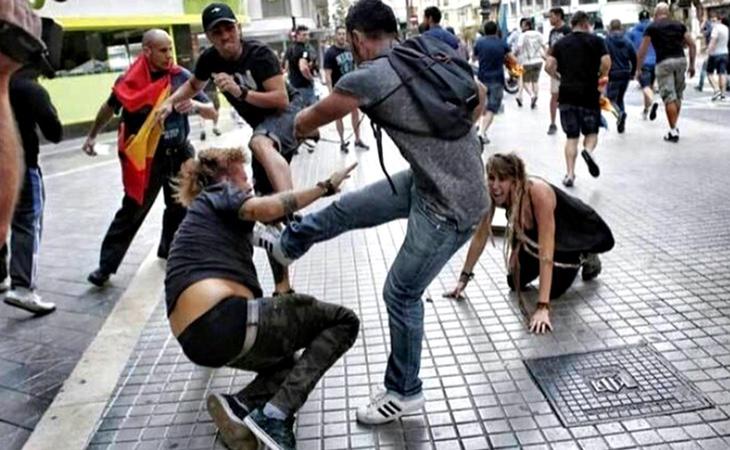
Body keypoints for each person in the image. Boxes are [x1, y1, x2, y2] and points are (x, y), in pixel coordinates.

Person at [256, 0, 488, 425]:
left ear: (357, 39)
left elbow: (306, 123)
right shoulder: (425, 51)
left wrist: (273, 130)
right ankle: (288, 245)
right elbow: (482, 96)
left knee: (400, 293)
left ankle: (404, 392)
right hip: (431, 183)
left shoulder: (369, 76)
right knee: (349, 207)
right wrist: (449, 151)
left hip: (449, 207)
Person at [167, 147, 359, 450]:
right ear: (227, 178)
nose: (250, 184)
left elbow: (273, 240)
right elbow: (266, 209)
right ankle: (276, 416)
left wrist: (282, 287)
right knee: (344, 321)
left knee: (287, 365)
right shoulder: (219, 194)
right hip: (223, 317)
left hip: (199, 340)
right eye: (244, 177)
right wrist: (325, 187)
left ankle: (240, 406)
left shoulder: (208, 218)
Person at [158, 3, 311, 296]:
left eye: (229, 28)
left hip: (287, 115)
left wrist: (240, 91)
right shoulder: (210, 60)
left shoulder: (260, 54)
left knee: (258, 144)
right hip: (262, 126)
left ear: (238, 29)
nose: (226, 35)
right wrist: (168, 103)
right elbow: (191, 85)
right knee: (265, 211)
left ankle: (291, 214)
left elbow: (280, 99)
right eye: (218, 31)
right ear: (209, 36)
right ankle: (283, 286)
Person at [82, 29, 216, 287]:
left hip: (180, 153)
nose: (169, 55)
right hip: (147, 159)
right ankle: (106, 266)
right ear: (147, 51)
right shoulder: (129, 81)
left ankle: (169, 250)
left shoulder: (182, 78)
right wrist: (92, 136)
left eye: (170, 49)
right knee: (132, 210)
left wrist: (196, 106)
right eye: (163, 50)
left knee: (180, 206)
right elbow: (109, 108)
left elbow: (211, 112)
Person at [444, 153, 613, 334]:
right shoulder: (491, 193)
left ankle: (585, 255)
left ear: (515, 181)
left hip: (570, 234)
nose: (495, 186)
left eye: (502, 179)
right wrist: (463, 279)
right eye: (491, 178)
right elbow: (480, 236)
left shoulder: (539, 193)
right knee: (514, 281)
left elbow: (546, 253)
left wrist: (542, 307)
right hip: (536, 238)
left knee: (553, 290)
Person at [0, 68, 62, 314]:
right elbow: (54, 132)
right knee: (27, 222)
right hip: (21, 166)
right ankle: (22, 287)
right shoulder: (29, 88)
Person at [546, 10, 610, 187]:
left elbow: (548, 65)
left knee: (571, 136)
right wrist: (601, 75)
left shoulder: (560, 43)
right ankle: (588, 151)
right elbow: (606, 62)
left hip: (567, 95)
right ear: (584, 23)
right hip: (589, 93)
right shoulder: (597, 41)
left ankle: (570, 174)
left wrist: (558, 76)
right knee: (591, 132)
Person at [0, 0, 42, 246]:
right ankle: (23, 281)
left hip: (23, 167)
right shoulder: (34, 91)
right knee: (28, 221)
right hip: (29, 167)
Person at [636, 2, 696, 143]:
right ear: (667, 13)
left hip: (664, 63)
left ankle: (673, 130)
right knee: (678, 95)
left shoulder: (652, 27)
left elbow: (643, 50)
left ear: (656, 14)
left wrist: (638, 68)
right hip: (681, 60)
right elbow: (692, 44)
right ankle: (674, 127)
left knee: (669, 96)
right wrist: (692, 65)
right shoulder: (679, 25)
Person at [323, 25, 368, 153]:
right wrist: (330, 92)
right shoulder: (330, 53)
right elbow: (327, 74)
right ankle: (342, 141)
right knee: (339, 116)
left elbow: (357, 66)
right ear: (335, 36)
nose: (342, 36)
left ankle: (358, 139)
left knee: (355, 114)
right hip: (339, 89)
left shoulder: (350, 49)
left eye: (344, 34)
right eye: (339, 34)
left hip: (352, 88)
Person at [473, 21, 515, 145]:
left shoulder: (479, 43)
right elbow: (512, 59)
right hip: (497, 79)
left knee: (482, 105)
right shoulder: (502, 43)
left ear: (485, 30)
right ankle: (482, 132)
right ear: (496, 30)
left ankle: (477, 127)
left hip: (482, 79)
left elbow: (474, 58)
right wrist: (518, 74)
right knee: (492, 107)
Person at [605, 19, 637, 133]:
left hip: (613, 73)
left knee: (610, 99)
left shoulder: (607, 41)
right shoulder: (627, 41)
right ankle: (621, 124)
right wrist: (633, 72)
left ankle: (620, 114)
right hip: (625, 73)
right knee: (620, 98)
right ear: (621, 27)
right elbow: (634, 56)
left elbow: (604, 57)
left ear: (610, 28)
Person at [628, 10, 660, 120]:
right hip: (656, 61)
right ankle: (646, 110)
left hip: (642, 62)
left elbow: (630, 48)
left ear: (639, 18)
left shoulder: (633, 31)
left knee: (645, 87)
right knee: (649, 86)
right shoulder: (655, 29)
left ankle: (653, 101)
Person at [546, 7, 572, 135]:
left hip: (567, 67)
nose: (550, 19)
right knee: (554, 95)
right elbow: (551, 48)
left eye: (551, 16)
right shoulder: (552, 32)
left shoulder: (567, 30)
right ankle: (553, 122)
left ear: (558, 16)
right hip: (555, 68)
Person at [284, 25, 318, 107]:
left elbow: (286, 67)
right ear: (298, 35)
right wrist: (311, 78)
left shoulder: (290, 48)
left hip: (294, 86)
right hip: (304, 86)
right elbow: (303, 68)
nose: (307, 37)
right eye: (304, 35)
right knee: (313, 112)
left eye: (307, 35)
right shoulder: (304, 50)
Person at [516, 18, 545, 109]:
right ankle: (535, 100)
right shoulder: (539, 34)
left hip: (526, 61)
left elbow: (519, 49)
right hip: (538, 61)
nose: (522, 27)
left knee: (525, 82)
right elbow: (544, 47)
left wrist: (514, 56)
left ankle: (532, 95)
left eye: (523, 25)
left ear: (527, 26)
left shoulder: (523, 35)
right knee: (535, 81)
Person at [706, 13, 728, 101]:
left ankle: (716, 89)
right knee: (722, 73)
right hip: (725, 53)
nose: (712, 22)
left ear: (718, 20)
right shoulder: (726, 28)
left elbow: (713, 41)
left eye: (714, 20)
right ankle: (723, 94)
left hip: (715, 54)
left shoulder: (716, 29)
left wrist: (708, 52)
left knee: (709, 73)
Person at [695, 17, 715, 93]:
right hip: (721, 52)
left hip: (711, 52)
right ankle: (727, 85)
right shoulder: (717, 29)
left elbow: (701, 33)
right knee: (722, 70)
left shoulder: (709, 30)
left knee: (704, 69)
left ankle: (700, 85)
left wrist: (702, 25)